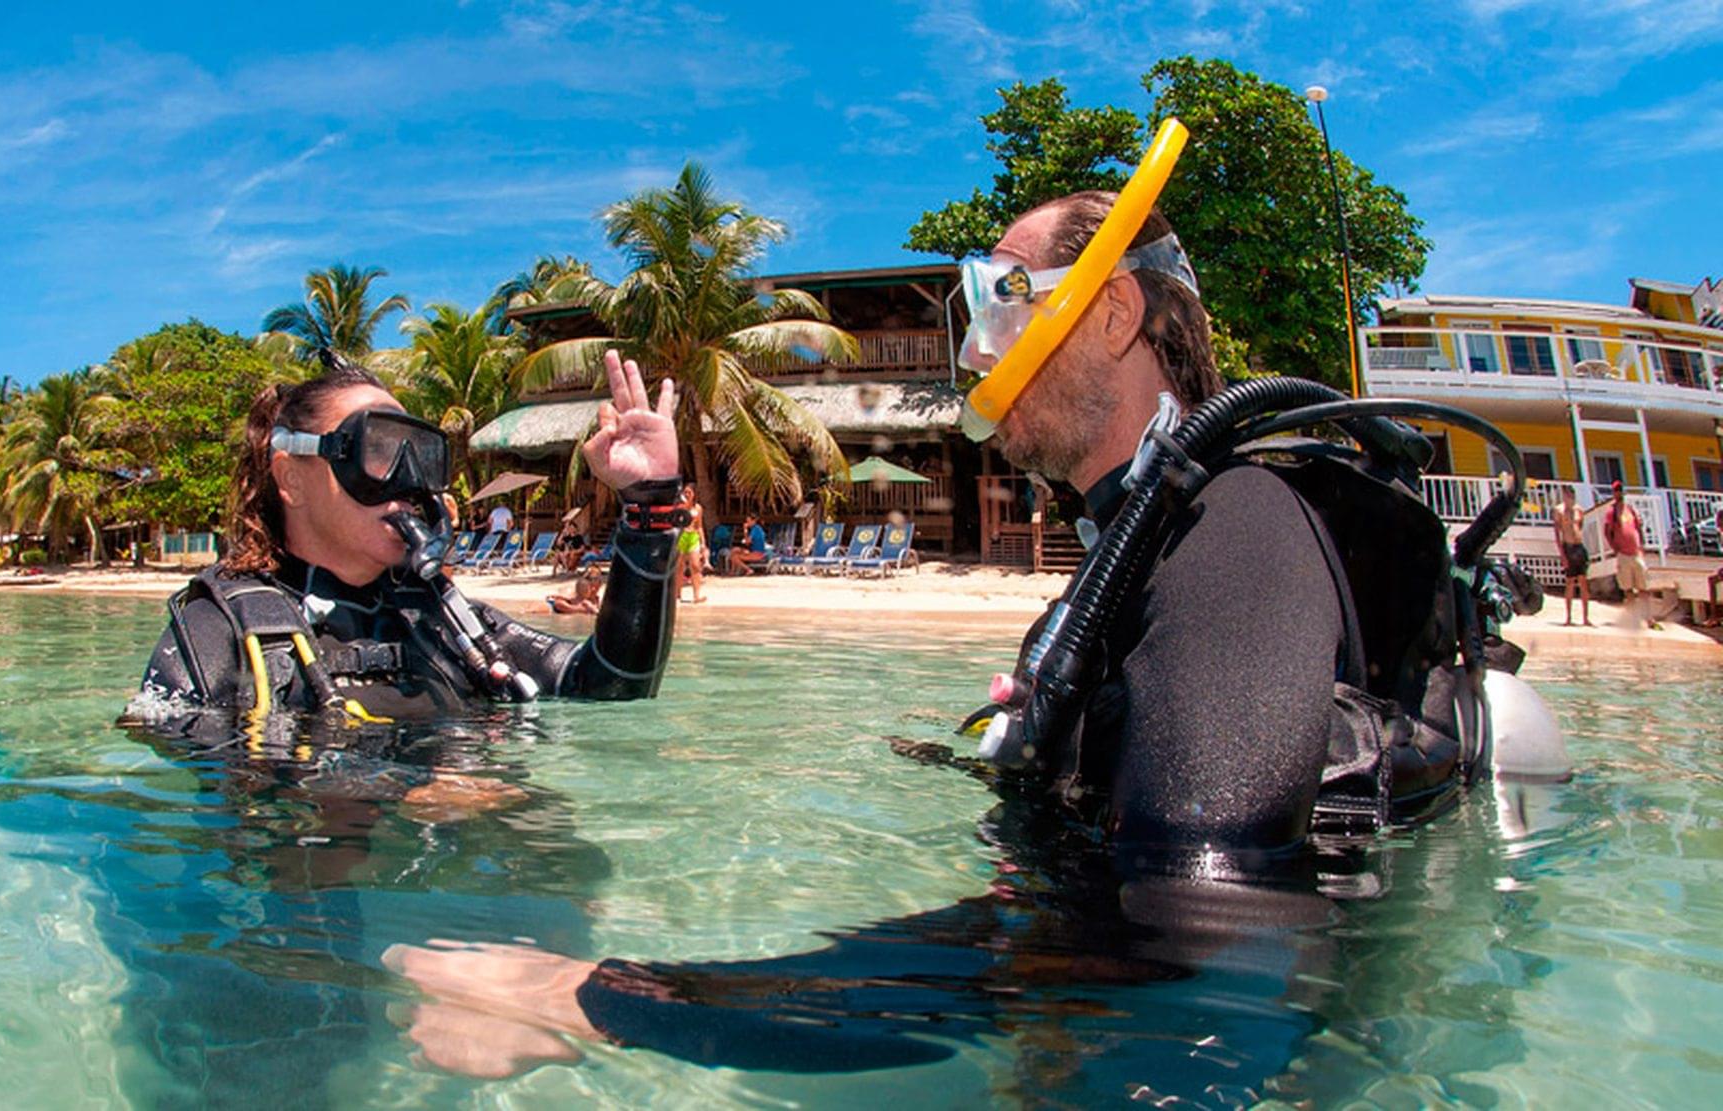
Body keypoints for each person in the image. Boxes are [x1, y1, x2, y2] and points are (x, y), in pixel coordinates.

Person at [384, 177, 1525, 1080]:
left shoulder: (1235, 523)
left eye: (999, 300)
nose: (974, 349)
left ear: (1116, 309)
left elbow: (1201, 955)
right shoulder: (1137, 558)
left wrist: (610, 1000)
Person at [133, 348, 686, 722]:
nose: (408, 483)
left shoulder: (443, 620)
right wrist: (405, 788)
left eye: (420, 456)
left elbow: (615, 684)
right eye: (378, 451)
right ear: (291, 479)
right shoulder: (219, 632)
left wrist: (652, 504)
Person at [1602, 480, 1658, 629]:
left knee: (1643, 588)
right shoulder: (1611, 512)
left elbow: (1638, 528)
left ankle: (1649, 618)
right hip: (1623, 554)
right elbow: (1607, 532)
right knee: (1628, 589)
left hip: (1636, 553)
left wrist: (1642, 545)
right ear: (1613, 493)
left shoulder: (1631, 509)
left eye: (1621, 490)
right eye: (1616, 490)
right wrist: (1615, 548)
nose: (1619, 493)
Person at [1552, 484, 1591, 625]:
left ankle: (1586, 618)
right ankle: (1568, 617)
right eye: (1567, 494)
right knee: (1569, 582)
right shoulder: (1559, 511)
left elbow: (1580, 526)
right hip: (1568, 547)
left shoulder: (1579, 510)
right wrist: (1562, 554)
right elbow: (1557, 533)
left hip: (1579, 546)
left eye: (1571, 495)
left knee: (1583, 582)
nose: (1569, 497)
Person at [673, 484, 707, 603]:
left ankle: (696, 595)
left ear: (694, 494)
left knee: (695, 566)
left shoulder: (698, 508)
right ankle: (677, 594)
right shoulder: (680, 507)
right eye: (685, 492)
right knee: (679, 567)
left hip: (693, 536)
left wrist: (703, 543)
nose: (687, 494)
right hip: (682, 536)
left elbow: (699, 526)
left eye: (689, 492)